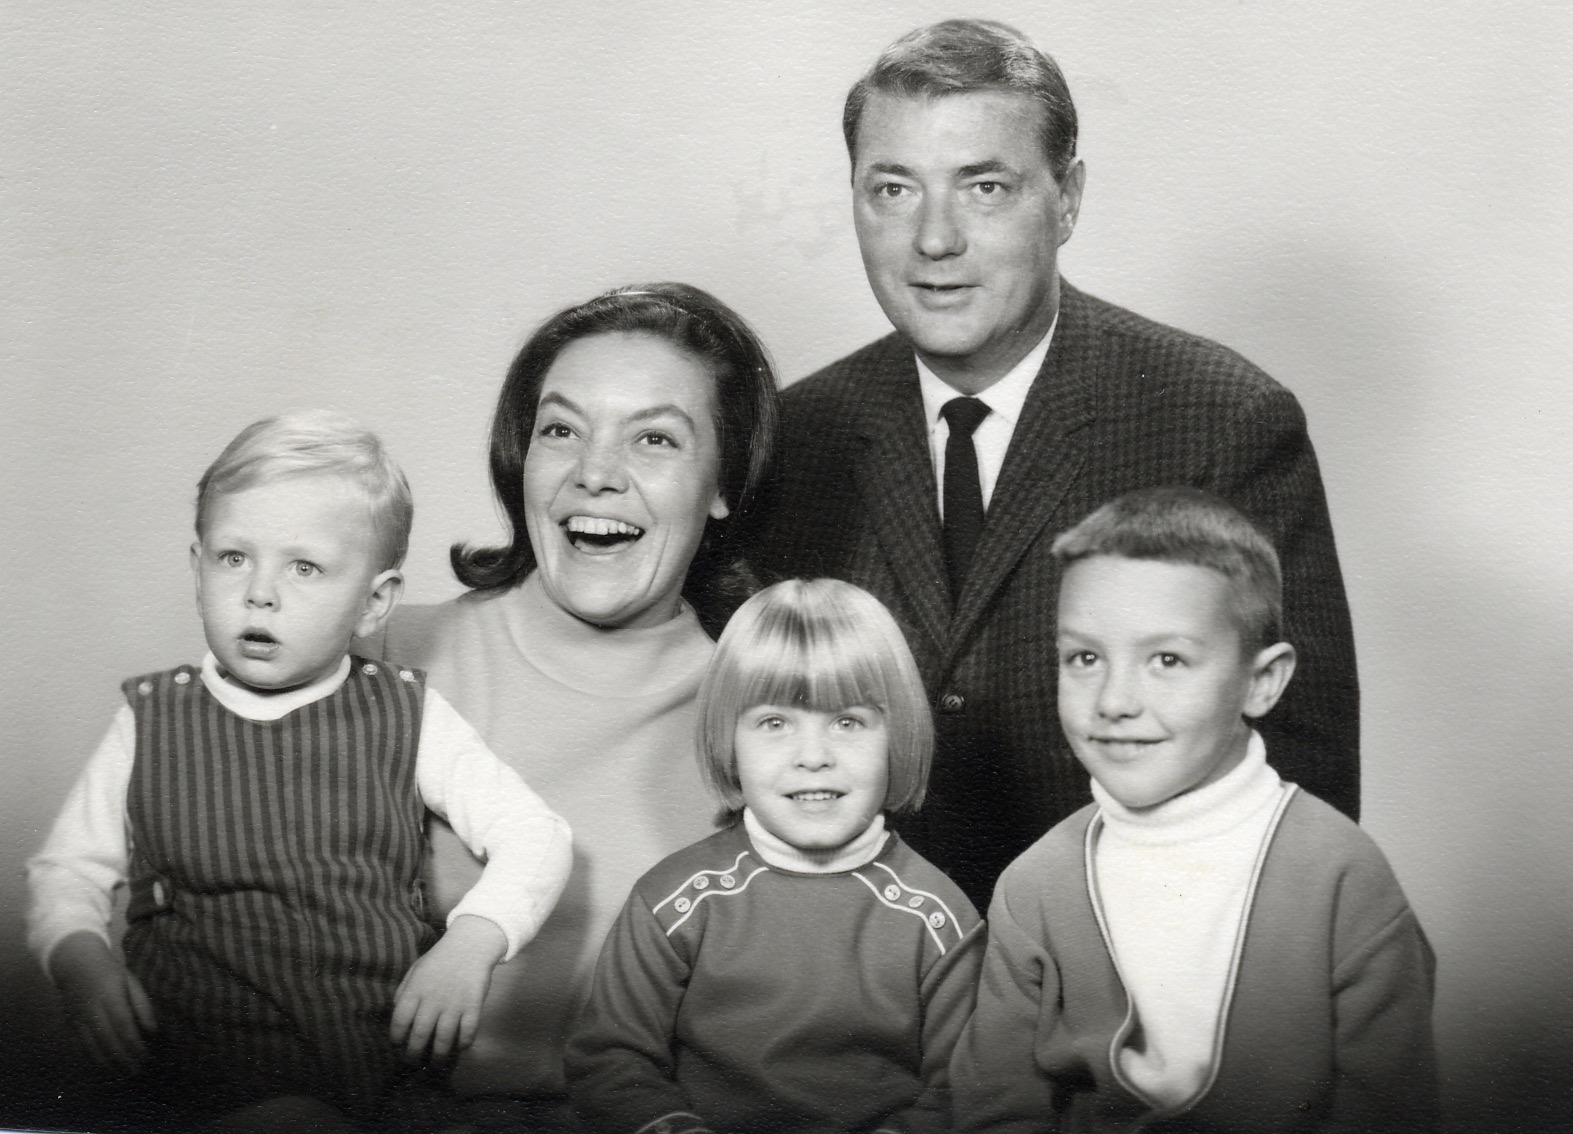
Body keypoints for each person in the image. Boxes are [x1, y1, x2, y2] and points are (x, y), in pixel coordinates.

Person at [751, 17, 1358, 911]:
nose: (934, 239)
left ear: (1067, 199)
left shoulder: (1222, 421)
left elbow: (1306, 790)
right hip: (858, 994)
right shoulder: (794, 436)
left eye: (985, 187)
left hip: (1130, 985)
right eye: (892, 189)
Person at [25, 410, 573, 1131]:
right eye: (232, 558)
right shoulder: (155, 717)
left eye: (304, 567)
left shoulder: (405, 714)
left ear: (374, 602)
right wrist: (81, 961)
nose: (260, 592)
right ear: (197, 568)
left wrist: (472, 941)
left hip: (373, 1067)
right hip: (194, 1070)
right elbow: (67, 870)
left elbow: (536, 833)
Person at [368, 283, 779, 1125]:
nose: (596, 473)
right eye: (561, 430)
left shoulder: (765, 718)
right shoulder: (381, 660)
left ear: (722, 485)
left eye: (655, 439)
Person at [950, 487, 1438, 1132]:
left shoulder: (1341, 876)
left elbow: (1387, 1112)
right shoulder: (1036, 886)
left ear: (1261, 681)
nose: (1115, 700)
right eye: (1085, 658)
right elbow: (995, 1110)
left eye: (1167, 659)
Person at [566, 578, 984, 1134]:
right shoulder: (673, 901)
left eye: (847, 721)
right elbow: (611, 1059)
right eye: (775, 723)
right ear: (729, 741)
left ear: (897, 737)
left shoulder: (939, 919)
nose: (813, 757)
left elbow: (966, 1086)